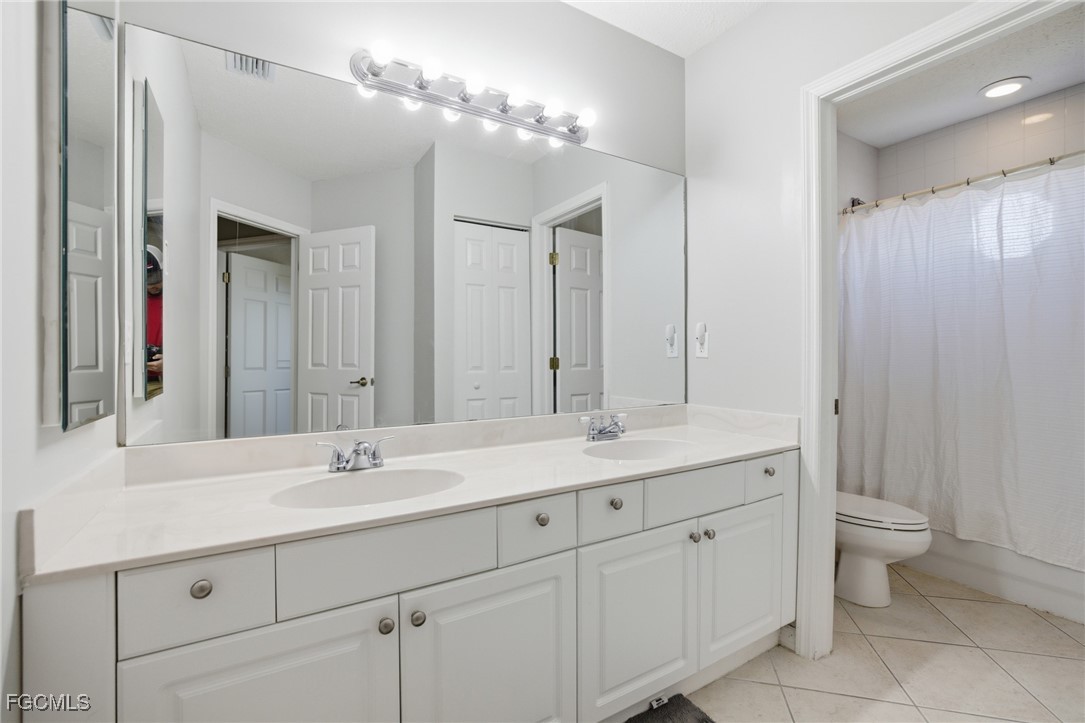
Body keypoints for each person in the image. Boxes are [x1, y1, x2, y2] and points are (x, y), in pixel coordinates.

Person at [145, 246, 164, 393]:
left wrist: (170, 361)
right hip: (137, 380)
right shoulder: (133, 302)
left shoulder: (176, 303)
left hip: (165, 381)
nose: (153, 286)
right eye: (148, 280)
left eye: (156, 279)